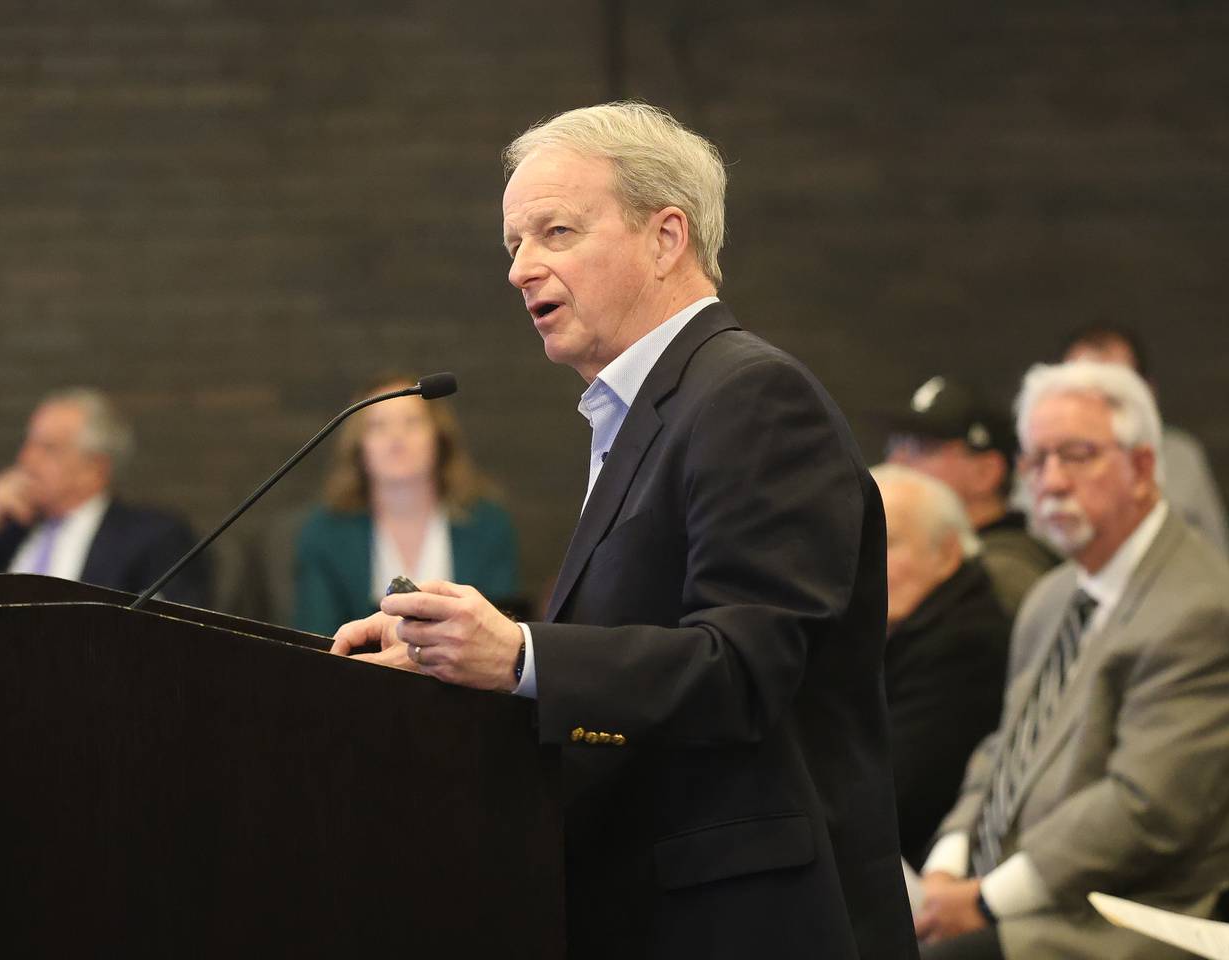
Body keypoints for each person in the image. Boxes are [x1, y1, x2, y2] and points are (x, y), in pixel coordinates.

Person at [331, 102, 917, 960]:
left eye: (555, 232)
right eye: (513, 244)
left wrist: (524, 657)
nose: (520, 268)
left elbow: (746, 669)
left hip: (747, 922)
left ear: (666, 237)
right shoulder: (642, 411)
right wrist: (452, 658)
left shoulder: (750, 398)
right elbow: (630, 661)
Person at [914, 360, 1229, 960]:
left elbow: (1144, 811)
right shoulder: (1053, 595)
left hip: (1134, 919)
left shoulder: (1206, 609)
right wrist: (947, 862)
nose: (1052, 481)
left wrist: (984, 901)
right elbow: (1003, 748)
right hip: (1027, 892)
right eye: (1037, 461)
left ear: (1142, 467)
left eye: (1076, 455)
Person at [292, 375, 518, 635]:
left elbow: (501, 632)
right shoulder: (323, 534)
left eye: (412, 422)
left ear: (439, 437)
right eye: (378, 426)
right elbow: (317, 639)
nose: (396, 437)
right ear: (358, 446)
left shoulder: (488, 525)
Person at [0, 387, 209, 606]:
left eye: (47, 448)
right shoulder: (10, 535)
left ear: (94, 469)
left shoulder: (154, 536)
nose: (25, 459)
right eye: (27, 444)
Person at [870, 463, 1010, 867]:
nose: (866, 560)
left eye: (887, 541)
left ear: (947, 553)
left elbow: (894, 800)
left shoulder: (965, 644)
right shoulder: (904, 626)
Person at [884, 375, 1058, 616]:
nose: (897, 462)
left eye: (922, 448)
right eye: (897, 446)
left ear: (985, 473)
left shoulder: (1001, 576)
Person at [1061, 325, 1229, 560]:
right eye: (1081, 389)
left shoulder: (1180, 456)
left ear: (1148, 391)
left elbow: (1221, 561)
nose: (1097, 403)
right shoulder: (1044, 461)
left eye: (1116, 387)